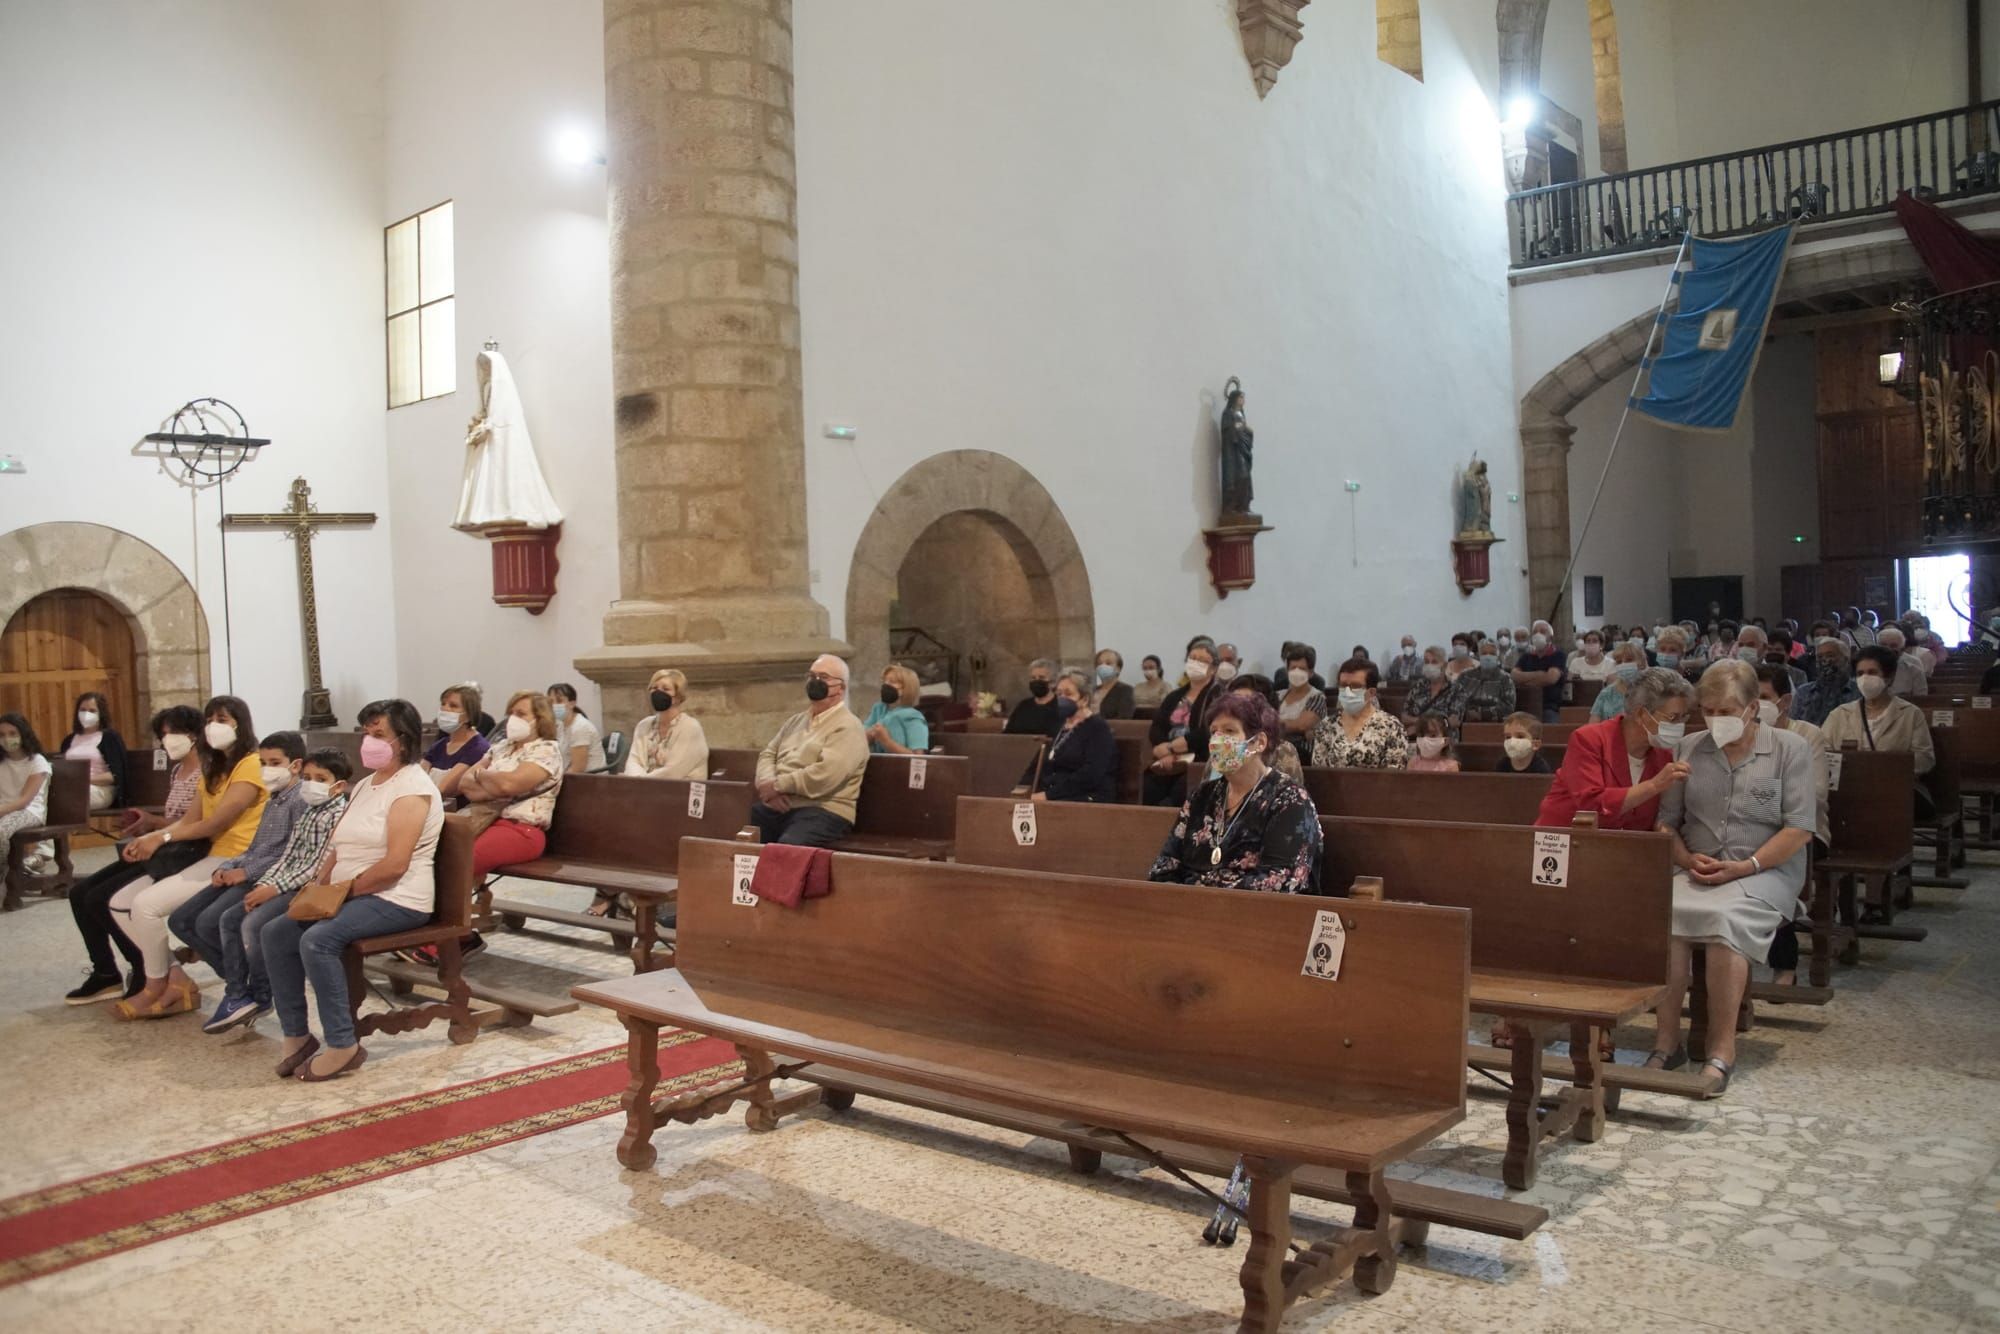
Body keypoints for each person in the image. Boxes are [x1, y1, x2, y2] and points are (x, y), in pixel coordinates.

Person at [1652, 661, 1815, 1094]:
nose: (1715, 719)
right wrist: (1686, 859)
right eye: (1706, 710)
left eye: (1725, 710)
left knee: (1724, 924)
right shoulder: (1688, 748)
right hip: (1697, 867)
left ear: (1752, 708)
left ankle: (1721, 1049)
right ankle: (1667, 1043)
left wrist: (1746, 867)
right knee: (1661, 915)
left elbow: (1799, 827)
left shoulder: (1788, 749)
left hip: (1765, 869)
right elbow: (1666, 821)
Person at [263, 699, 444, 1080]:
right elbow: (337, 846)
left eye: (379, 734)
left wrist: (342, 893)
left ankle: (343, 1043)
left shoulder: (412, 788)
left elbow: (395, 865)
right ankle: (297, 1036)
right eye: (366, 732)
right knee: (276, 931)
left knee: (318, 939)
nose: (368, 740)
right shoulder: (366, 784)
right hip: (353, 891)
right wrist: (318, 886)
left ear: (404, 740)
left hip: (398, 897)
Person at [106, 695, 268, 1020]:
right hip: (210, 854)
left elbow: (216, 822)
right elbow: (190, 819)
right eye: (210, 719)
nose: (214, 726)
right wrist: (151, 837)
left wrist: (163, 837)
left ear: (241, 723)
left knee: (146, 906)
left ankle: (156, 986)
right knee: (121, 903)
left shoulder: (251, 764)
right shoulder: (215, 767)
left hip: (237, 857)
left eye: (222, 719)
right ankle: (176, 978)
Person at [201, 748, 354, 1033]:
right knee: (228, 920)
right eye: (307, 777)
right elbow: (287, 856)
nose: (311, 784)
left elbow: (317, 867)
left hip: (304, 889)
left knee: (253, 925)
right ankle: (237, 994)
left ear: (339, 785)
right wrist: (264, 884)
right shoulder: (310, 810)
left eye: (320, 778)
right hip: (279, 882)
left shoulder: (338, 815)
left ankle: (261, 993)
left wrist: (273, 889)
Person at [62, 706, 206, 1005]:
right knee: (79, 893)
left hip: (185, 852)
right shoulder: (179, 770)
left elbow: (196, 825)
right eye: (163, 734)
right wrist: (149, 822)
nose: (167, 740)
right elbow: (176, 818)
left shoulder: (206, 770)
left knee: (101, 898)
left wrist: (157, 833)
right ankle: (105, 973)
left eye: (172, 733)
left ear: (193, 735)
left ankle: (144, 968)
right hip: (164, 844)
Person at [166, 731, 308, 1017]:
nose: (267, 769)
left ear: (295, 765)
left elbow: (290, 855)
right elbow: (255, 845)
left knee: (213, 921)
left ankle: (247, 991)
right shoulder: (274, 798)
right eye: (264, 762)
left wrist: (246, 872)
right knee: (180, 920)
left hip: (269, 877)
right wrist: (227, 867)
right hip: (247, 869)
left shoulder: (300, 800)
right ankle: (241, 986)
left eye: (275, 762)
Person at [1147, 692, 1321, 892]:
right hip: (1189, 911)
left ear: (1258, 743)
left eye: (1229, 731)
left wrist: (1201, 890)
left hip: (1256, 917)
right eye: (1214, 732)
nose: (1218, 740)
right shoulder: (1202, 796)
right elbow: (1163, 867)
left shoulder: (1290, 799)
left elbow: (1282, 881)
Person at [1537, 667, 1694, 830]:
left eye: (1683, 717)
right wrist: (1654, 785)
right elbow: (1591, 806)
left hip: (1622, 848)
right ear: (1641, 714)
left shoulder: (1664, 755)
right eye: (1673, 718)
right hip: (1563, 840)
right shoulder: (1589, 739)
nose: (1679, 725)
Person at [1755, 664, 1829, 987]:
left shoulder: (1807, 735)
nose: (1755, 705)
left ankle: (1784, 964)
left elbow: (1816, 794)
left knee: (1776, 865)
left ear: (1784, 700)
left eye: (1763, 697)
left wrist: (1762, 797)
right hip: (1753, 828)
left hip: (1803, 830)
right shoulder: (1741, 733)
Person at [752, 654, 869, 846]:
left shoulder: (848, 726)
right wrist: (766, 784)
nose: (815, 681)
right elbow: (768, 753)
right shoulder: (796, 721)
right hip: (780, 805)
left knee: (786, 850)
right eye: (812, 676)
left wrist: (778, 785)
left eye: (823, 677)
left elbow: (827, 775)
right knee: (734, 833)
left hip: (823, 810)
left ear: (840, 689)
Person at [461, 690, 565, 878]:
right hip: (484, 820)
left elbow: (509, 785)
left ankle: (452, 907)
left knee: (465, 859)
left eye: (521, 714)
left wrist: (483, 775)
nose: (512, 719)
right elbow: (465, 784)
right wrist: (495, 785)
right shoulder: (501, 747)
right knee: (437, 849)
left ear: (540, 719)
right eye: (511, 713)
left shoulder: (546, 750)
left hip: (521, 829)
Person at [1820, 644, 1937, 785]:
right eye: (1860, 673)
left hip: (1893, 788)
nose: (1865, 678)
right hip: (1848, 786)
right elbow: (1822, 752)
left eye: (1872, 672)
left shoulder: (1911, 714)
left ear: (1889, 677)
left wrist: (1882, 767)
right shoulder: (1839, 714)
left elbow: (1925, 758)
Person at [1145, 638, 1220, 806]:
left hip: (1199, 759)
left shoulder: (1218, 695)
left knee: (1178, 794)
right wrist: (1165, 749)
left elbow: (1211, 730)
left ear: (1213, 668)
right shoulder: (1175, 696)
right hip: (1168, 757)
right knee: (1147, 787)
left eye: (1202, 660)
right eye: (1192, 658)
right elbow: (1157, 726)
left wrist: (1178, 746)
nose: (1195, 663)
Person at [1035, 667, 1117, 803]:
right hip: (1057, 793)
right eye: (1059, 694)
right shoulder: (1060, 725)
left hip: (1088, 795)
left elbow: (1091, 775)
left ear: (1084, 699)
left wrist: (1048, 795)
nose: (1062, 699)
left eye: (1068, 694)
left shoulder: (1097, 728)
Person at [1310, 658, 1408, 770]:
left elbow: (1393, 776)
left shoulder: (1391, 727)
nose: (1347, 691)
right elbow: (1319, 772)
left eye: (1355, 686)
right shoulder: (1326, 726)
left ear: (1371, 692)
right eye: (1343, 685)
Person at [624, 668, 710, 779]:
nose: (658, 693)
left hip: (680, 791)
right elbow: (633, 761)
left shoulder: (690, 727)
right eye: (654, 688)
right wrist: (638, 782)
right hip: (645, 789)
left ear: (678, 697)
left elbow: (673, 772)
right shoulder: (644, 725)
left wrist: (643, 783)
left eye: (665, 689)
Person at [58, 692, 128, 815]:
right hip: (71, 787)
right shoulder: (69, 740)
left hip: (100, 789)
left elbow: (115, 776)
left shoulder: (110, 738)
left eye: (92, 710)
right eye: (83, 710)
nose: (86, 714)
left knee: (70, 797)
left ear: (101, 714)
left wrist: (84, 780)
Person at [421, 683, 489, 797]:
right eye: (443, 704)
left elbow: (444, 789)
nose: (445, 708)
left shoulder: (478, 748)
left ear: (469, 715)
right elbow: (417, 779)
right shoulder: (440, 745)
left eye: (453, 706)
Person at [1791, 636, 1861, 726]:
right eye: (1819, 657)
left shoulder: (1859, 692)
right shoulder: (1804, 692)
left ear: (1846, 659)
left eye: (1830, 655)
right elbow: (1793, 725)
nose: (1824, 660)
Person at [863, 664, 931, 755]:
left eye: (892, 682)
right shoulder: (879, 709)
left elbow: (917, 757)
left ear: (906, 688)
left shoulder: (913, 717)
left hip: (900, 767)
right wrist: (869, 735)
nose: (886, 685)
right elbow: (862, 737)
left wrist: (886, 741)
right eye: (884, 681)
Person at [1449, 638, 1517, 726]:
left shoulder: (1505, 679)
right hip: (1465, 723)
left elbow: (1508, 708)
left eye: (1492, 654)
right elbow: (1454, 700)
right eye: (1484, 653)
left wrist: (1481, 714)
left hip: (1495, 726)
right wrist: (1465, 714)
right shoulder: (1465, 676)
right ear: (1478, 656)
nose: (1488, 657)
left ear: (1497, 656)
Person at [1509, 621, 1565, 721]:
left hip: (1549, 706)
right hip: (1526, 705)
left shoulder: (1558, 655)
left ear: (1550, 637)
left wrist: (1525, 681)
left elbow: (1551, 678)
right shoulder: (1526, 657)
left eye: (1542, 631)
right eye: (1535, 632)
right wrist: (1539, 674)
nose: (1538, 634)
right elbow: (1514, 675)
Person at [1276, 644, 1328, 751]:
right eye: (1293, 668)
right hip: (1275, 748)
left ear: (1310, 672)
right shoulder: (1278, 696)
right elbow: (1263, 722)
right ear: (1287, 670)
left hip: (1301, 752)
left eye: (1302, 669)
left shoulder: (1317, 697)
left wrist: (1275, 723)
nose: (1297, 672)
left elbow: (1302, 725)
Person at [547, 682, 600, 774]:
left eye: (559, 701)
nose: (554, 705)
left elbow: (577, 769)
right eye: (551, 702)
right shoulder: (560, 725)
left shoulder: (580, 728)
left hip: (589, 781)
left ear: (572, 704)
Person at [1402, 645, 1456, 730]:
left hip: (1443, 736)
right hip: (1416, 735)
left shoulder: (1455, 689)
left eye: (1434, 662)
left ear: (1445, 665)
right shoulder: (1418, 686)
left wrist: (1421, 726)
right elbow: (1404, 717)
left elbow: (1454, 722)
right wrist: (1420, 724)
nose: (1430, 665)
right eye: (1427, 662)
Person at [1004, 659, 1062, 737]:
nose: (1036, 681)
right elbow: (1008, 734)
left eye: (1041, 678)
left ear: (1053, 682)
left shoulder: (1060, 706)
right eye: (1033, 678)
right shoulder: (1023, 706)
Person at [1589, 643, 1646, 721]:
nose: (1623, 664)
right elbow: (1593, 726)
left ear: (1642, 662)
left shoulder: (1652, 690)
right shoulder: (1607, 693)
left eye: (1629, 660)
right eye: (1619, 662)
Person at [1873, 625, 1930, 698]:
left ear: (1902, 647)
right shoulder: (1868, 664)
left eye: (1893, 646)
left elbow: (1921, 695)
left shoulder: (1914, 663)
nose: (1888, 649)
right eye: (1883, 645)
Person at [1089, 649, 1136, 720]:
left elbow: (1124, 718)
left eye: (1108, 663)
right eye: (1099, 663)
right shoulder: (1094, 690)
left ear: (1118, 668)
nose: (1103, 666)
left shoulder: (1125, 690)